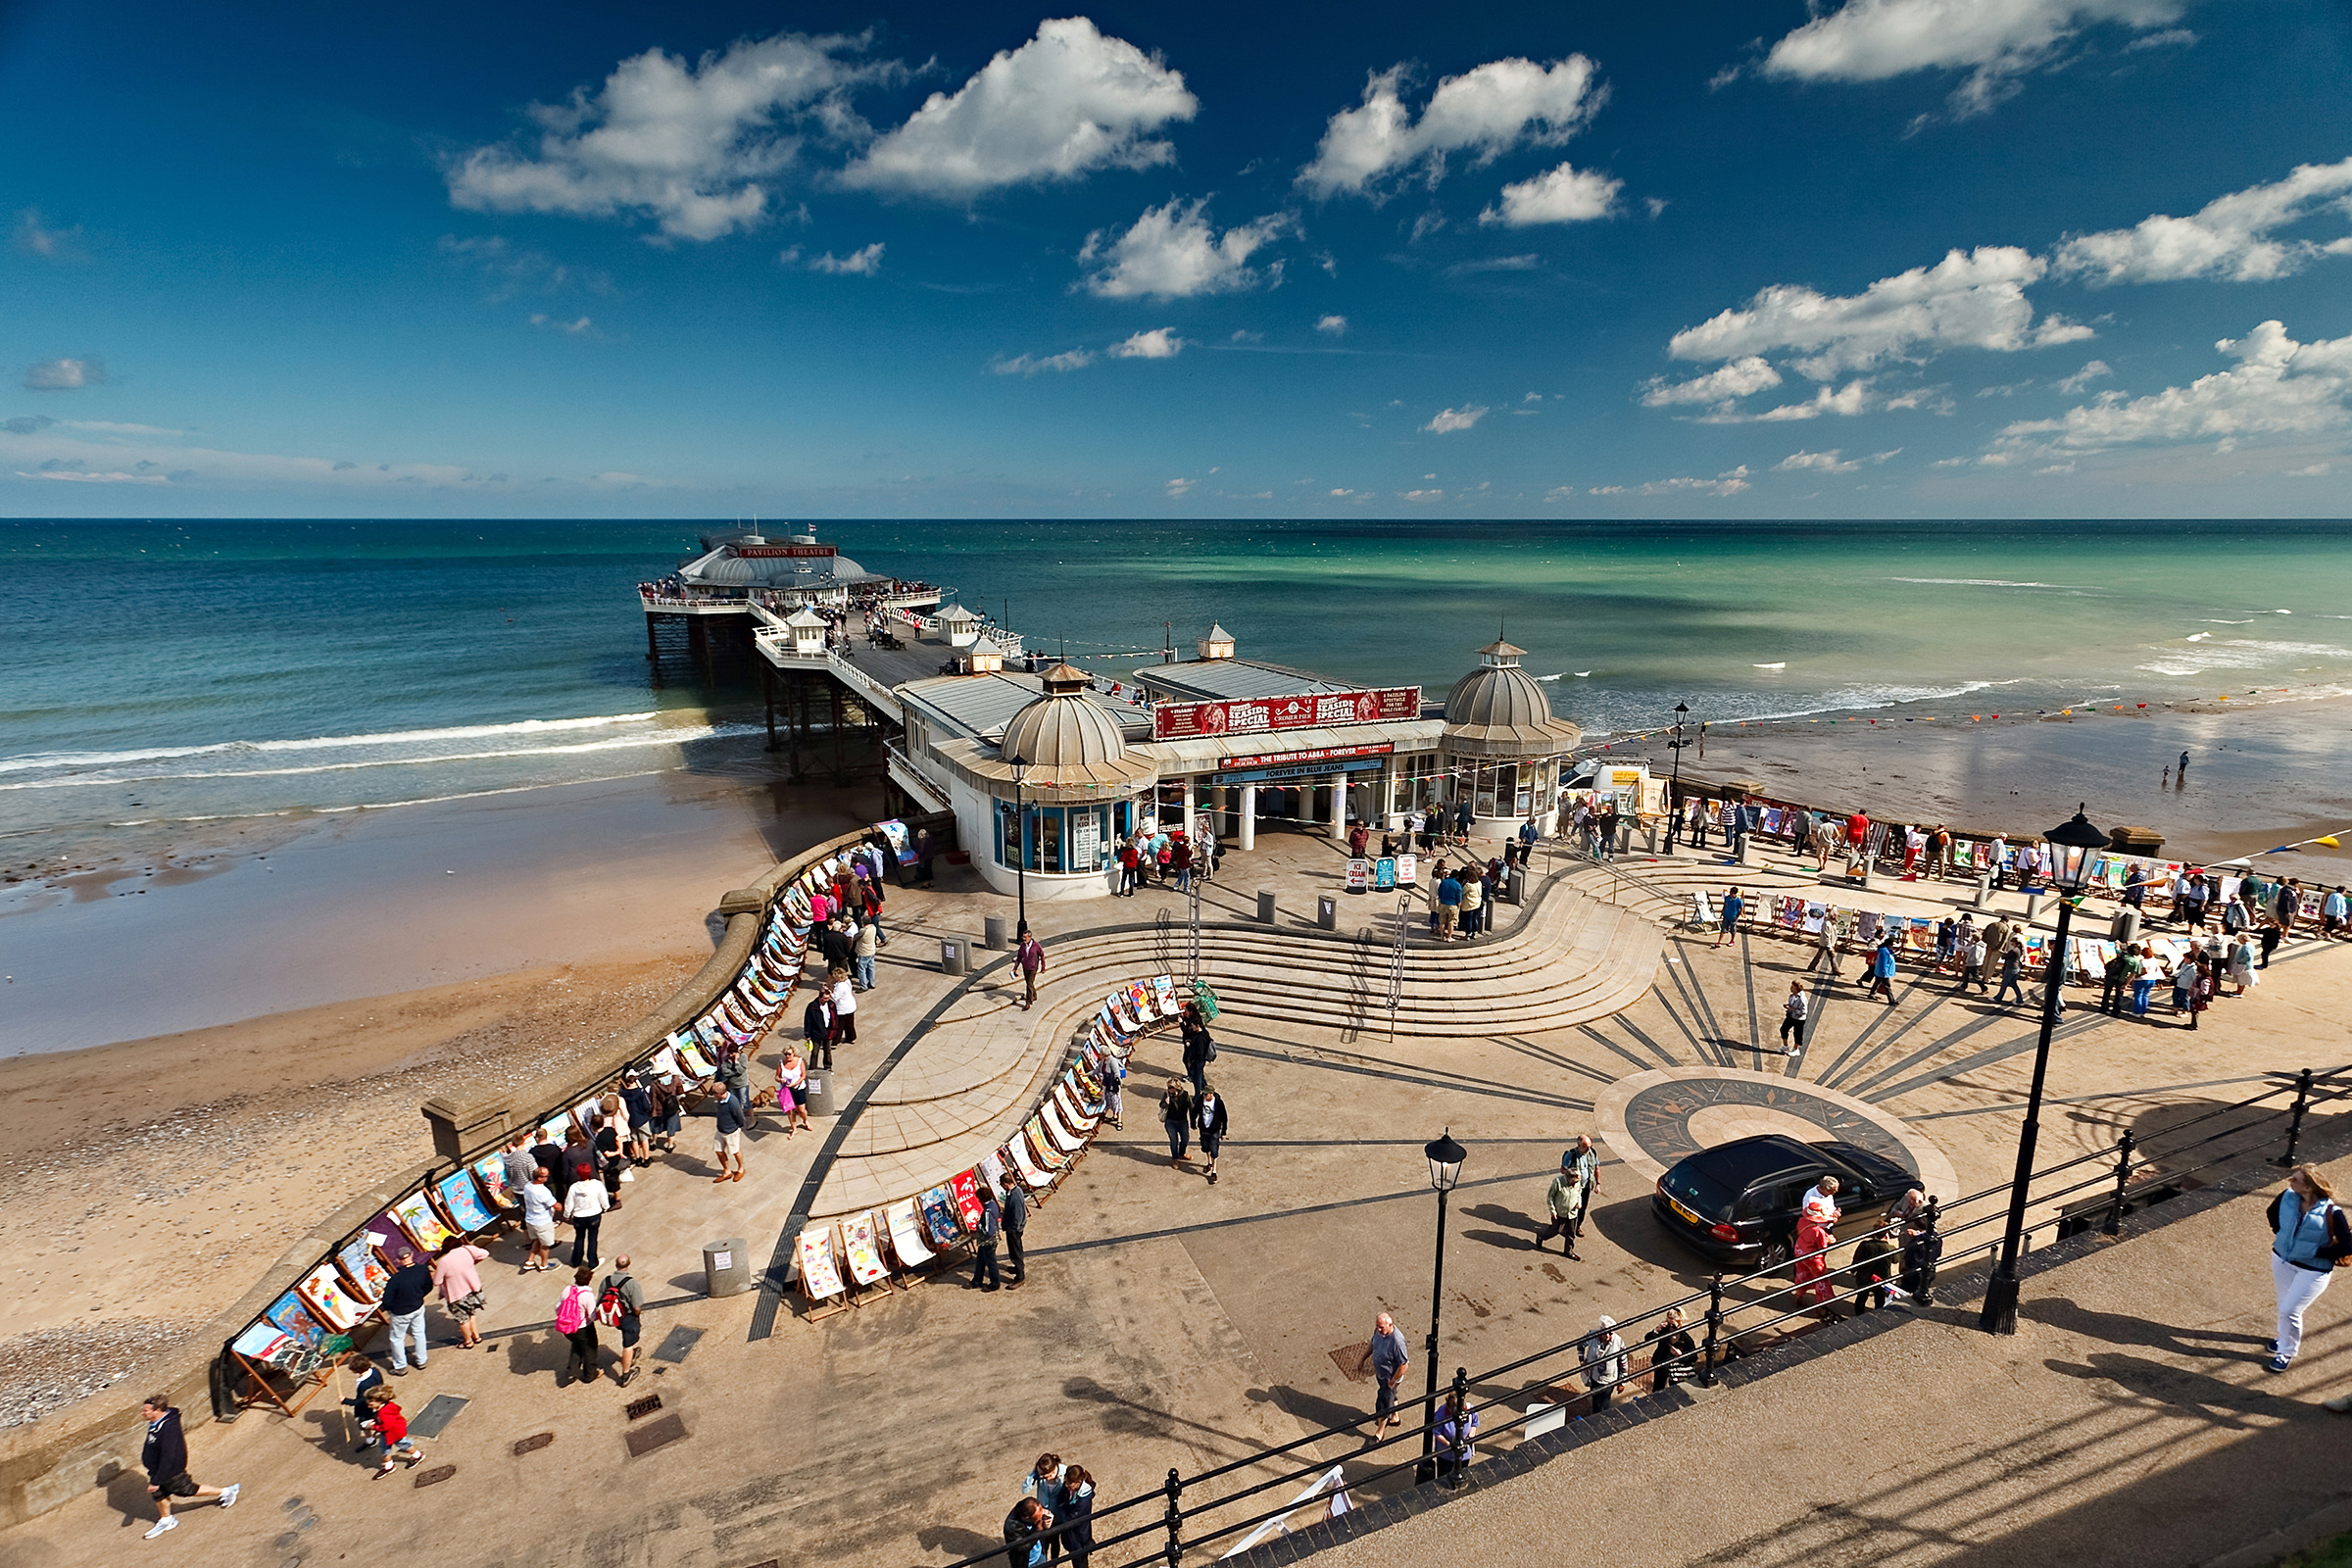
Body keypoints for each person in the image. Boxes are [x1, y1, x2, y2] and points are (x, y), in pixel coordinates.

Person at [2268, 1164, 2352, 1371]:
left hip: (2313, 1270)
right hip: (2283, 1260)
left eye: (2295, 1179)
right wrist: (2282, 1237)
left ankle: (2286, 1352)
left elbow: (2346, 1246)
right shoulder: (2287, 1197)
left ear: (2308, 1188)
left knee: (2290, 1310)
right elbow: (2271, 1213)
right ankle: (2282, 1338)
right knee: (2283, 1305)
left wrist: (2315, 1252)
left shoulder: (2333, 1212)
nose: (2290, 1181)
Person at [139, 1396, 237, 1537]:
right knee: (159, 1493)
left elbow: (169, 1456)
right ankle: (167, 1520)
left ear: (158, 1411)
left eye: (146, 1410)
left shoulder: (168, 1430)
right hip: (157, 1468)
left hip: (170, 1469)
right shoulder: (157, 1421)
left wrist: (156, 1480)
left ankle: (226, 1492)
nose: (143, 1413)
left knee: (186, 1489)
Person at [1536, 1137, 1600, 1257]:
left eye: (1590, 1146)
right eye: (1586, 1147)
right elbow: (1550, 1198)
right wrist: (1553, 1211)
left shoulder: (1578, 1183)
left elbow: (1580, 1190)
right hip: (1561, 1210)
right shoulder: (1559, 1182)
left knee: (1571, 1233)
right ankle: (1541, 1235)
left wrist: (1579, 1202)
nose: (1589, 1149)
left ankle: (1568, 1251)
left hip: (1572, 1211)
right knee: (1556, 1230)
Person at [433, 1235, 492, 1350]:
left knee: (462, 1320)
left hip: (456, 1295)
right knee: (471, 1313)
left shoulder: (444, 1261)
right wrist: (472, 1264)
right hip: (472, 1289)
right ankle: (476, 1336)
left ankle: (468, 1341)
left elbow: (437, 1281)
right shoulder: (467, 1250)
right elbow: (485, 1253)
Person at [381, 1246, 433, 1375]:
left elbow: (387, 1301)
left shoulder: (396, 1279)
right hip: (417, 1306)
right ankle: (422, 1360)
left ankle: (400, 1366)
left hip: (400, 1312)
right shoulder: (422, 1269)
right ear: (411, 1255)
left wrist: (391, 1309)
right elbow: (428, 1286)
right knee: (419, 1333)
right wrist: (419, 1296)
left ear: (398, 1260)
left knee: (397, 1338)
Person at [1356, 1311, 1410, 1432]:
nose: (1378, 1329)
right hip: (1381, 1374)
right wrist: (1362, 1359)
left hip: (1390, 1378)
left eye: (1381, 1327)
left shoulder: (1397, 1342)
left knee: (1383, 1403)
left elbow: (1404, 1365)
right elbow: (1373, 1343)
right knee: (1391, 1396)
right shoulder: (1379, 1332)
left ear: (1390, 1325)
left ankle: (1380, 1432)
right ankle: (1395, 1417)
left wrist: (1392, 1381)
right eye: (1377, 1326)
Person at [361, 1386, 425, 1478]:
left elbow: (385, 1426)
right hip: (395, 1431)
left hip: (393, 1433)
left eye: (371, 1404)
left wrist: (373, 1426)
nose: (368, 1406)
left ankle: (416, 1456)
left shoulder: (383, 1413)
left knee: (401, 1445)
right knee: (391, 1446)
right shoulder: (388, 1406)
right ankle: (390, 1465)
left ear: (379, 1402)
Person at [601, 1255, 646, 1387]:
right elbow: (636, 1307)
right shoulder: (632, 1283)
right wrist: (637, 1316)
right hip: (628, 1317)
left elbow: (600, 1299)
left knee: (627, 1338)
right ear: (628, 1265)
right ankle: (626, 1374)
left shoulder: (606, 1280)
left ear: (616, 1265)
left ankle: (630, 1355)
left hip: (615, 1317)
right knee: (628, 1344)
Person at [1791, 1200, 1838, 1322]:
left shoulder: (1802, 1221)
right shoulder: (1818, 1231)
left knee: (1802, 1274)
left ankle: (1799, 1296)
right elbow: (1822, 1246)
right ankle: (1820, 1305)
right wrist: (1829, 1239)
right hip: (1812, 1256)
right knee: (1821, 1279)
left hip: (1800, 1250)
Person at [555, 1265, 601, 1384]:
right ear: (588, 1280)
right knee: (589, 1350)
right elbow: (592, 1316)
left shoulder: (567, 1289)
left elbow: (557, 1307)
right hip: (583, 1328)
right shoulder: (587, 1295)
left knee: (576, 1345)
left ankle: (572, 1371)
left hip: (567, 1328)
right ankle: (590, 1374)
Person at [564, 1154, 611, 1269]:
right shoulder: (597, 1185)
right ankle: (592, 1262)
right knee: (592, 1238)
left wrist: (566, 1215)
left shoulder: (574, 1188)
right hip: (594, 1215)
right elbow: (604, 1199)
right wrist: (605, 1207)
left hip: (579, 1217)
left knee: (579, 1238)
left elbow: (568, 1204)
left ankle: (576, 1260)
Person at [696, 1085, 749, 1183]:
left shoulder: (732, 1102)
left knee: (735, 1151)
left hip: (731, 1131)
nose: (713, 1095)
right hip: (720, 1130)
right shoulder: (720, 1100)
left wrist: (737, 1127)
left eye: (714, 1093)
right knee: (719, 1151)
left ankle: (741, 1169)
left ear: (719, 1093)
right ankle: (726, 1171)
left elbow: (740, 1116)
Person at [1580, 1316, 1628, 1412]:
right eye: (1605, 1333)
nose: (1607, 1337)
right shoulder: (1591, 1335)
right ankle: (1595, 1417)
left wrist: (1622, 1381)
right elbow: (1580, 1345)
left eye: (1610, 1333)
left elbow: (1623, 1362)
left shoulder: (1618, 1341)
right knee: (1596, 1400)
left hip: (1609, 1380)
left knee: (1605, 1403)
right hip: (1594, 1376)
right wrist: (1582, 1361)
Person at [1644, 1306, 1697, 1392]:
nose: (1670, 1328)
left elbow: (1693, 1357)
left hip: (1677, 1369)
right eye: (1668, 1324)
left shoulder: (1686, 1339)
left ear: (1680, 1324)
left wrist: (1680, 1356)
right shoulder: (1664, 1331)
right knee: (1658, 1388)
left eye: (1673, 1326)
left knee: (1675, 1389)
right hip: (1662, 1362)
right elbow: (1647, 1339)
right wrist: (1656, 1330)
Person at [1434, 1385, 1479, 1481]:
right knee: (1444, 1478)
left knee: (1463, 1474)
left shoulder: (1469, 1409)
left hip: (1464, 1453)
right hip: (1446, 1455)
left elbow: (1474, 1422)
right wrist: (1450, 1445)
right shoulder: (1441, 1413)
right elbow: (1437, 1433)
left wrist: (1472, 1432)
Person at [519, 1165, 558, 1273]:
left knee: (537, 1240)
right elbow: (555, 1205)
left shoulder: (527, 1186)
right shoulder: (542, 1191)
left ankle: (530, 1261)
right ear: (539, 1178)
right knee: (545, 1245)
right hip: (542, 1222)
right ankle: (544, 1265)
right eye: (546, 1176)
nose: (547, 1178)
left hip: (531, 1220)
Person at [1059, 1463, 1097, 1568]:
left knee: (1080, 1562)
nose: (1066, 1485)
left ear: (1078, 1483)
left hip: (1079, 1537)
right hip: (1072, 1535)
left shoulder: (1084, 1501)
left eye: (1069, 1483)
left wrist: (1059, 1514)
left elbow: (1072, 1518)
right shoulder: (1069, 1490)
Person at [1004, 1497, 1054, 1568]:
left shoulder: (1031, 1509)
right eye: (1037, 1519)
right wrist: (1037, 1530)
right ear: (1027, 1518)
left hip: (1040, 1556)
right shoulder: (1012, 1526)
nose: (1040, 1520)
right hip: (1026, 1563)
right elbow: (1022, 1548)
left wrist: (1046, 1519)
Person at [970, 1185, 1003, 1292]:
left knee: (990, 1262)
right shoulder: (993, 1204)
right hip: (991, 1240)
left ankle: (995, 1283)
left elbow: (988, 1231)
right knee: (980, 1260)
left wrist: (979, 1226)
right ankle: (977, 1280)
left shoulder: (987, 1212)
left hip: (988, 1241)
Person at [1195, 1082, 1229, 1185]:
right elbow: (1194, 1111)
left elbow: (1224, 1117)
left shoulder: (1218, 1103)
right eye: (1204, 1094)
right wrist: (1193, 1122)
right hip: (1204, 1129)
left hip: (1214, 1129)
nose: (1204, 1096)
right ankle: (1209, 1162)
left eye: (1206, 1094)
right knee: (1205, 1147)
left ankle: (1214, 1170)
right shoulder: (1200, 1101)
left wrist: (1223, 1131)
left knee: (1214, 1149)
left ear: (1212, 1094)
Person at [1179, 1007, 1214, 1099]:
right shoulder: (1203, 1033)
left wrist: (1189, 1046)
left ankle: (1198, 1096)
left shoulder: (1200, 1038)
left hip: (1198, 1061)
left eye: (1193, 1025)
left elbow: (1199, 1052)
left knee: (1197, 1079)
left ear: (1197, 1025)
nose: (1191, 1027)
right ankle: (1207, 1090)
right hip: (1199, 1061)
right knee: (1201, 1077)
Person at [1001, 1179, 1029, 1288]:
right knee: (1016, 1249)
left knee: (1015, 1251)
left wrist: (1012, 1229)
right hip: (1016, 1227)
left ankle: (1020, 1277)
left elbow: (1017, 1216)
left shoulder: (1014, 1197)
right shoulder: (1017, 1191)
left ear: (1006, 1184)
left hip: (1014, 1229)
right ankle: (1017, 1268)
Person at [777, 1046, 811, 1136]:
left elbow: (803, 1076)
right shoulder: (781, 1063)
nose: (787, 1056)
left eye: (789, 1054)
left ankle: (805, 1120)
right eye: (785, 1054)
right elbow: (777, 1076)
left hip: (798, 1088)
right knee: (790, 1110)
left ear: (793, 1053)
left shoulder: (800, 1061)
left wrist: (795, 1084)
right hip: (786, 1090)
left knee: (801, 1109)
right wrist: (781, 1080)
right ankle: (794, 1128)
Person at [1160, 1078, 1194, 1166]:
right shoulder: (1167, 1095)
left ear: (1176, 1087)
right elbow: (1161, 1105)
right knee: (1174, 1141)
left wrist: (1193, 1120)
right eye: (1168, 1087)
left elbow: (1191, 1107)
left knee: (1185, 1139)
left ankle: (1181, 1153)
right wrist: (1166, 1103)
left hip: (1182, 1121)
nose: (1168, 1089)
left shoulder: (1185, 1095)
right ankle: (1175, 1158)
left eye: (1170, 1087)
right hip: (1170, 1121)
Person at [828, 964, 858, 1049]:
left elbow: (835, 997)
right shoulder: (847, 981)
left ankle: (834, 1042)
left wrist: (829, 992)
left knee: (838, 1025)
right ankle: (851, 1038)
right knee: (849, 1023)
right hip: (850, 1006)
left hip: (842, 1008)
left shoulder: (840, 986)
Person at [1016, 926, 1047, 1009]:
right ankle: (1034, 995)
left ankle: (1028, 1002)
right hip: (1025, 967)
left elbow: (1042, 955)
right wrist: (1015, 968)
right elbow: (1019, 957)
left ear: (1030, 937)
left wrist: (1043, 967)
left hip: (1033, 967)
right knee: (1029, 983)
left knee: (1029, 984)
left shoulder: (1036, 946)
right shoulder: (1023, 946)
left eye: (1025, 937)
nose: (1024, 938)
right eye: (1023, 937)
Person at [1994, 939, 2027, 1007]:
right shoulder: (2019, 950)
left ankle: (1998, 998)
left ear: (2014, 942)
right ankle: (2019, 1000)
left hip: (2011, 968)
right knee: (2013, 984)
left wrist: (2002, 953)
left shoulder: (2014, 950)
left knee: (2004, 984)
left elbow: (2005, 957)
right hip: (2016, 968)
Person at [1866, 936, 1897, 1005]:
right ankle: (1891, 1000)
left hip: (1881, 970)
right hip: (1883, 971)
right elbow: (1883, 962)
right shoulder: (1884, 951)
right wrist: (1884, 972)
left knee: (1877, 982)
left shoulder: (1885, 950)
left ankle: (1872, 994)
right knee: (1887, 986)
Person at [1780, 981, 1808, 1055]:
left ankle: (1796, 1049)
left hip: (1799, 1019)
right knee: (1783, 1029)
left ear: (1797, 989)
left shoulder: (1802, 999)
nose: (1791, 988)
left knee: (1797, 1033)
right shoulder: (1792, 996)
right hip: (1791, 1016)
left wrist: (1792, 1009)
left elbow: (1803, 1011)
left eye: (1793, 987)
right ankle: (1785, 1046)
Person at [854, 914, 878, 993]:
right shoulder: (873, 927)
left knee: (861, 969)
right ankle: (872, 983)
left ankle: (863, 986)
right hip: (871, 950)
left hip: (864, 952)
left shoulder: (863, 931)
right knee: (871, 967)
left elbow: (855, 937)